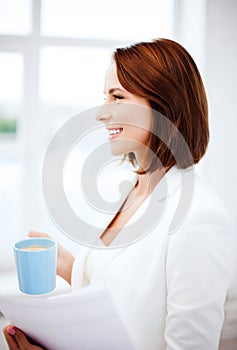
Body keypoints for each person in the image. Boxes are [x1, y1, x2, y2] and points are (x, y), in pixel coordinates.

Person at [3, 38, 235, 349]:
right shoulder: (131, 190)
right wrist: (71, 267)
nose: (101, 113)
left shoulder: (199, 215)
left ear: (164, 104)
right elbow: (126, 299)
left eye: (117, 97)